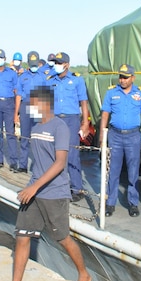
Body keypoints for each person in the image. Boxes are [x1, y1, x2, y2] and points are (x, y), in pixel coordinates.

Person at [0, 86, 91, 281]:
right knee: (22, 236)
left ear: (45, 104)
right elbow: (38, 161)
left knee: (62, 237)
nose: (31, 107)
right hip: (34, 191)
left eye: (34, 103)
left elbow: (60, 163)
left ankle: (83, 274)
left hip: (54, 193)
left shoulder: (60, 127)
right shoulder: (36, 127)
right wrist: (32, 185)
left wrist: (35, 187)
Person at [99, 64, 141, 217]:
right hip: (115, 135)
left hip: (133, 136)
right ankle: (110, 203)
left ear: (133, 78)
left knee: (133, 170)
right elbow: (105, 114)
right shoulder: (111, 92)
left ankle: (133, 203)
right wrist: (102, 135)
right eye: (120, 77)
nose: (122, 80)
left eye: (125, 77)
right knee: (113, 170)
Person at [46, 52, 90, 201]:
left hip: (71, 120)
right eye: (56, 62)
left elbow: (83, 102)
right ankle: (58, 186)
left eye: (59, 62)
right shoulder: (50, 80)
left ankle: (77, 188)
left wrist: (85, 123)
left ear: (67, 64)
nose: (56, 65)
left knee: (71, 154)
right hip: (55, 120)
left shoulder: (77, 80)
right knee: (54, 153)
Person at [14, 51, 47, 173]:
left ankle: (40, 166)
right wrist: (16, 114)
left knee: (39, 138)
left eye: (35, 64)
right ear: (28, 63)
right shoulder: (22, 77)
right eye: (32, 64)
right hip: (25, 107)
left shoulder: (43, 76)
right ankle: (23, 165)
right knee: (24, 137)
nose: (34, 66)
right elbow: (18, 96)